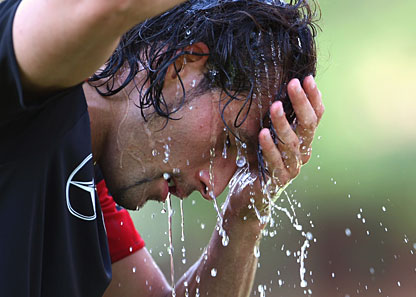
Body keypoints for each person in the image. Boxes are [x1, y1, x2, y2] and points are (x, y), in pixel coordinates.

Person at [0, 0, 323, 296]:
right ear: (181, 66)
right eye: (228, 141)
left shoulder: (88, 186)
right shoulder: (31, 88)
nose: (215, 188)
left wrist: (244, 215)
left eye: (240, 162)